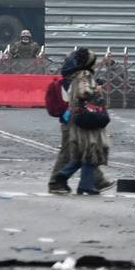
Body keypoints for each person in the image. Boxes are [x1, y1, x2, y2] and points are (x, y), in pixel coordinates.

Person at [49, 48, 110, 195]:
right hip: (86, 117)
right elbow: (84, 92)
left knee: (82, 153)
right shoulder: (84, 75)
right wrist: (98, 91)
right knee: (88, 151)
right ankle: (61, 180)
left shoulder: (76, 74)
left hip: (77, 116)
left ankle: (90, 182)